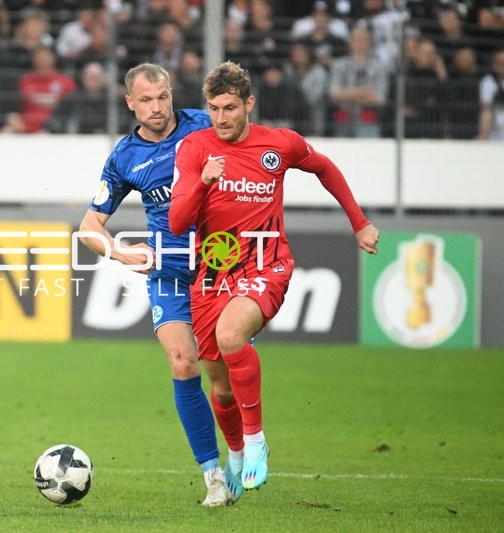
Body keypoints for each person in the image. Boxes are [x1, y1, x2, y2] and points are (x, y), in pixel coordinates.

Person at [168, 60, 379, 495]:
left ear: (249, 103)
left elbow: (325, 168)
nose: (221, 118)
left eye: (229, 108)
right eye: (213, 109)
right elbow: (177, 223)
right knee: (220, 389)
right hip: (211, 274)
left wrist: (358, 222)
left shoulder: (280, 144)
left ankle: (256, 439)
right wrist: (202, 183)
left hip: (267, 265)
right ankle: (238, 454)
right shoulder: (194, 149)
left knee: (231, 336)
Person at [78, 63, 239, 507]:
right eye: (146, 100)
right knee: (182, 362)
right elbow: (90, 227)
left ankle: (242, 452)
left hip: (218, 264)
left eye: (163, 96)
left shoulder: (204, 125)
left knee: (220, 380)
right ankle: (212, 477)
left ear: (172, 94)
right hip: (168, 269)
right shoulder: (125, 157)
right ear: (130, 102)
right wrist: (125, 255)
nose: (157, 107)